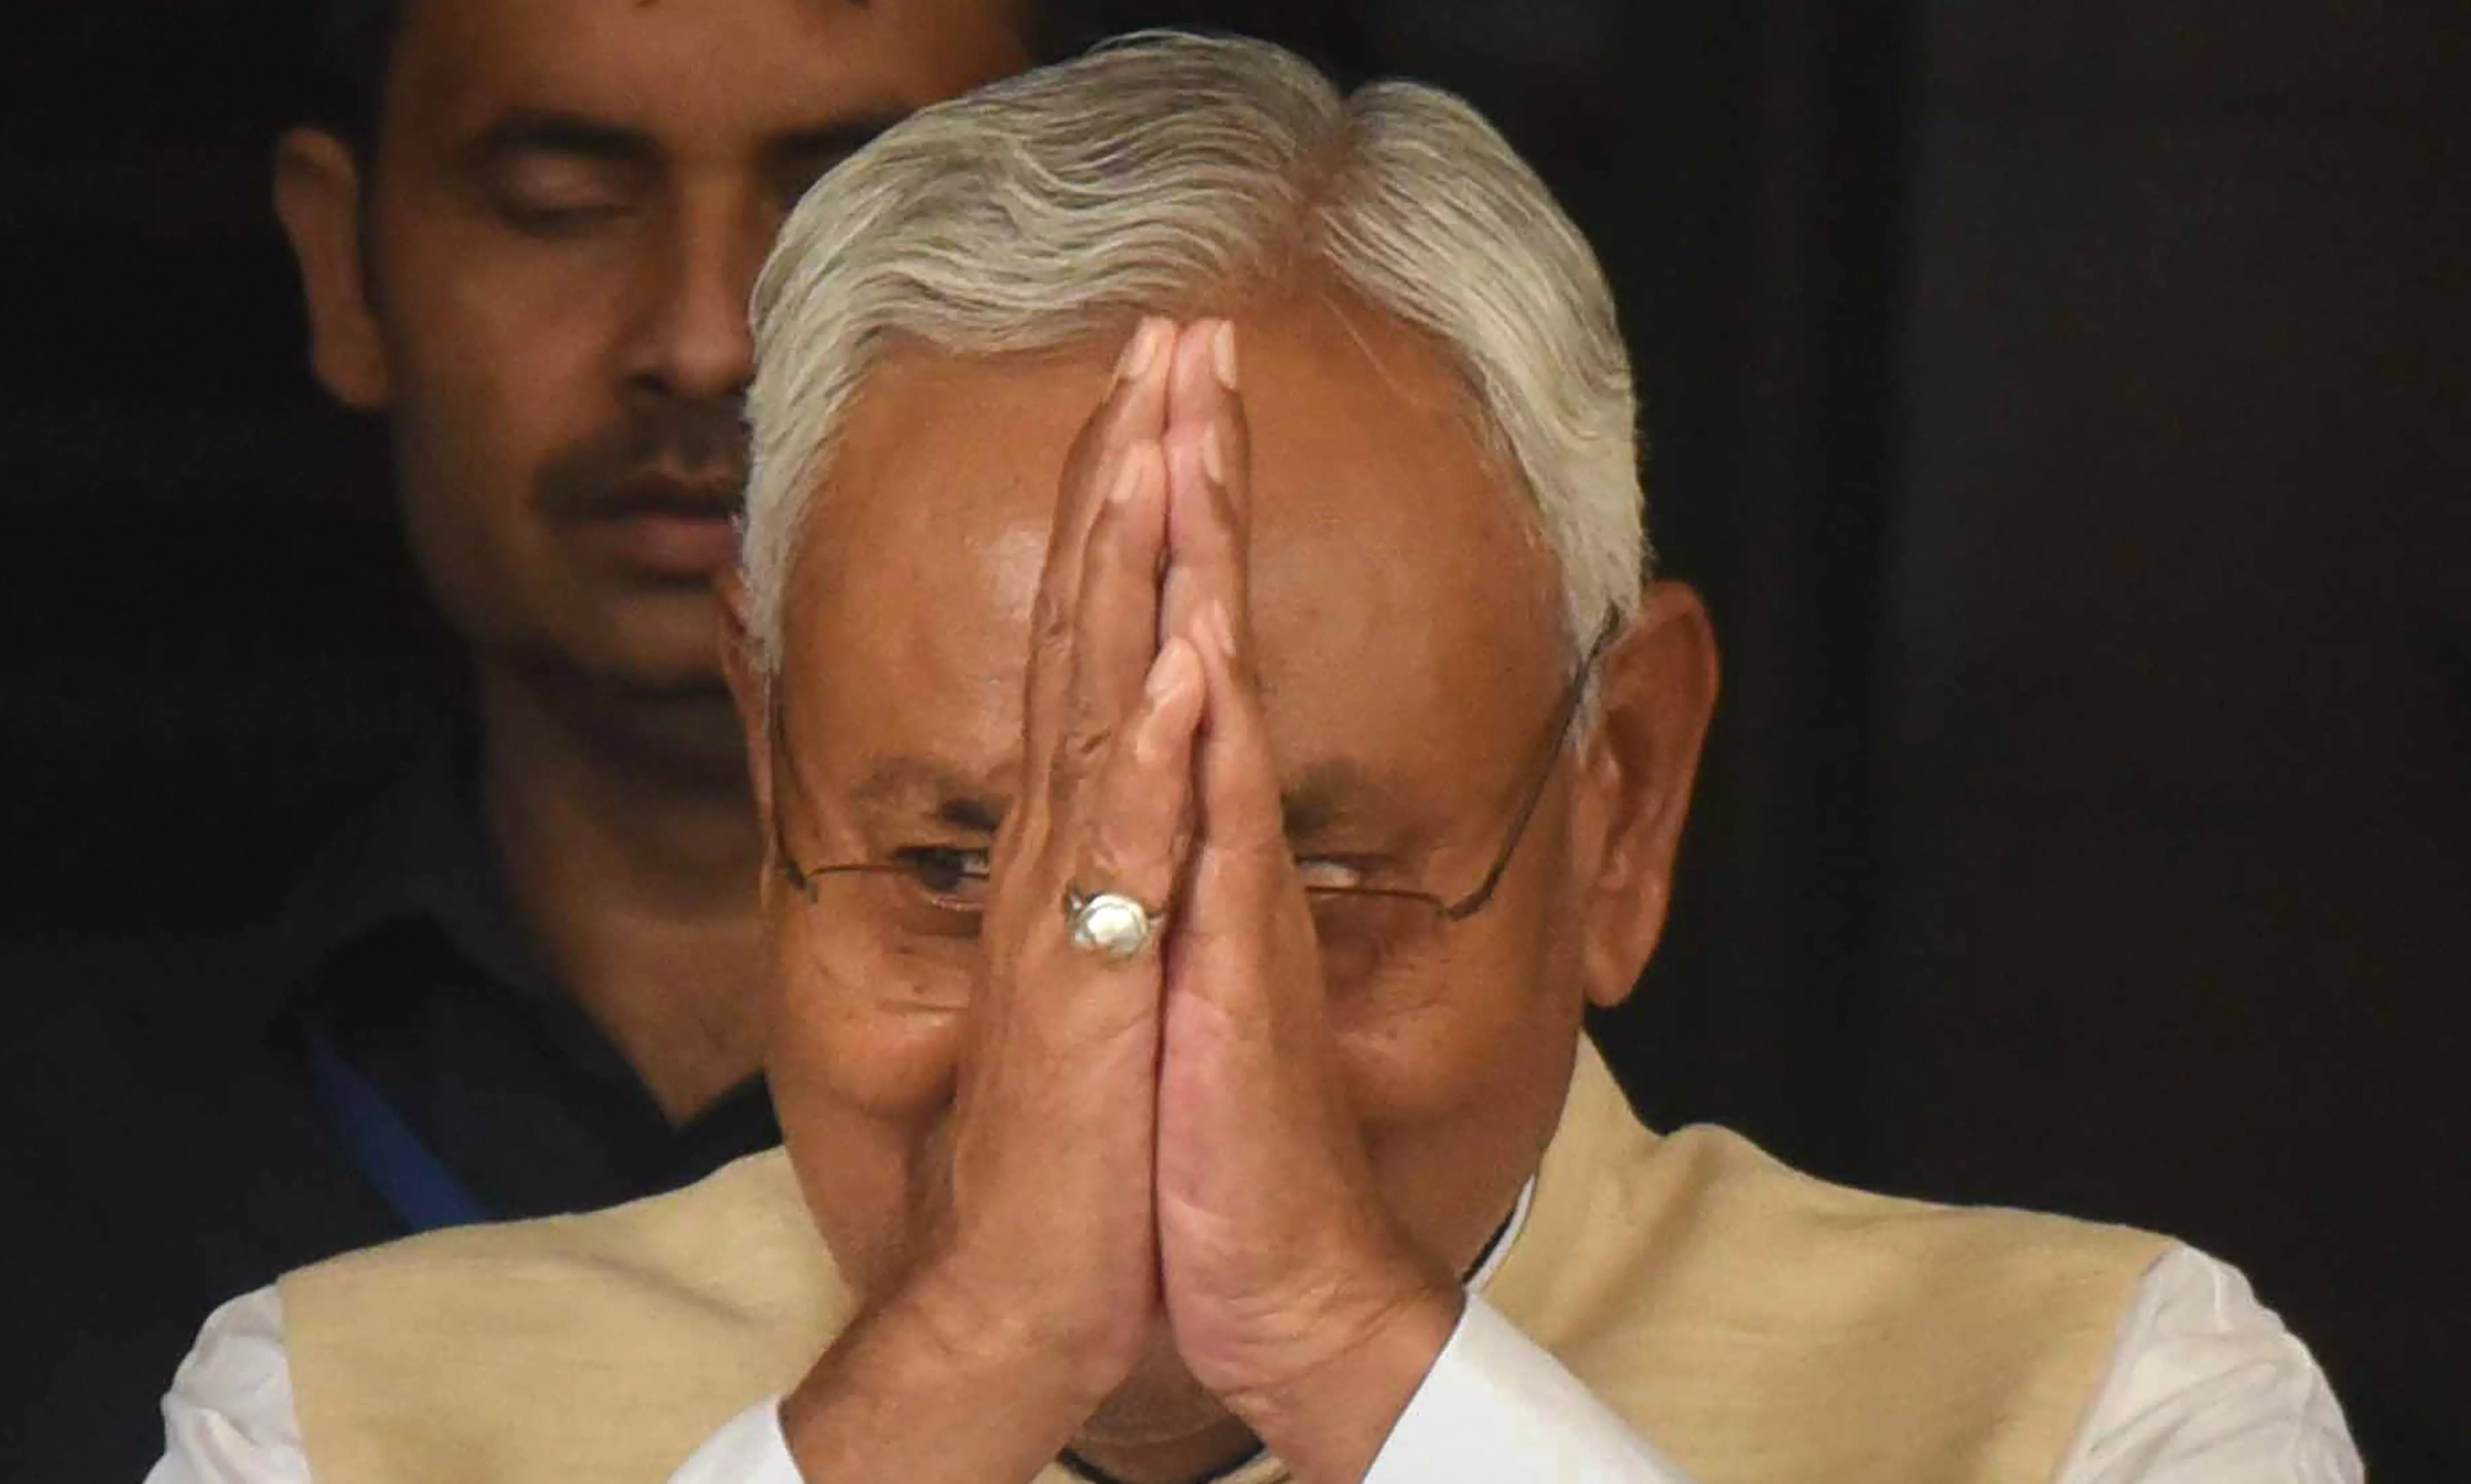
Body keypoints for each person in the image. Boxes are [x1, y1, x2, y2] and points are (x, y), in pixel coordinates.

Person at [147, 33, 2360, 1484]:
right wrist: (955, 1375)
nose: (1121, 1048)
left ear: (1622, 801)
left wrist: (1343, 1345)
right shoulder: (342, 1424)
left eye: (1315, 878)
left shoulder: (2103, 1408)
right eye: (957, 869)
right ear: (770, 773)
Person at [1, 2, 1028, 1478]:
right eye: (562, 206)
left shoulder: (1298, 1144)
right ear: (344, 267)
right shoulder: (66, 1176)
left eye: (848, 212)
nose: (707, 337)